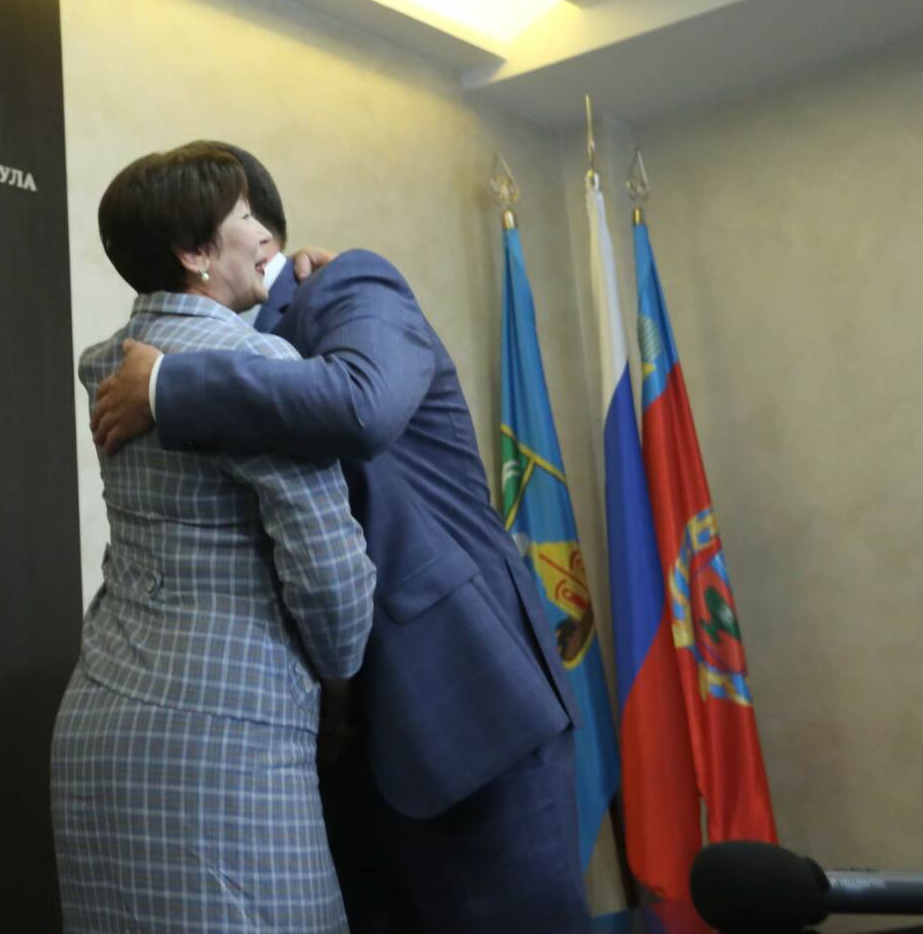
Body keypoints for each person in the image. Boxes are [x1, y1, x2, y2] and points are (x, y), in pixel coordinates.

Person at [91, 146, 587, 934]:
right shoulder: (195, 343)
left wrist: (164, 385)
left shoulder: (349, 285)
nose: (254, 231)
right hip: (319, 742)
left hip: (462, 704)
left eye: (249, 214)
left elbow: (363, 405)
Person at [53, 142, 377, 933]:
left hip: (96, 721)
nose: (267, 235)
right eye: (245, 219)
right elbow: (333, 588)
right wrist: (342, 673)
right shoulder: (257, 361)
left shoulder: (108, 364)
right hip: (227, 740)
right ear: (195, 253)